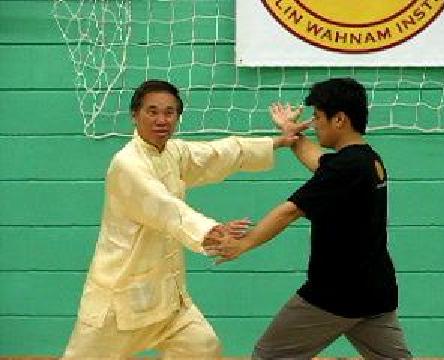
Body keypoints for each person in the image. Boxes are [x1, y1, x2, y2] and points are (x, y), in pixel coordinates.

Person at [62, 79, 306, 359]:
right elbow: (165, 208)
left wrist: (279, 141)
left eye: (169, 113)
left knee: (202, 347)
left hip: (167, 299)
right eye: (152, 112)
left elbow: (218, 153)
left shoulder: (173, 153)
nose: (161, 120)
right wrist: (212, 231)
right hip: (119, 299)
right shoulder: (127, 163)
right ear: (135, 115)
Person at [206, 78, 412, 359]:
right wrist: (291, 133)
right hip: (375, 293)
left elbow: (288, 211)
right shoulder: (365, 159)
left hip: (334, 295)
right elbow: (318, 160)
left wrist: (244, 244)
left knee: (268, 356)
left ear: (339, 119)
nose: (313, 125)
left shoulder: (346, 169)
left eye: (317, 118)